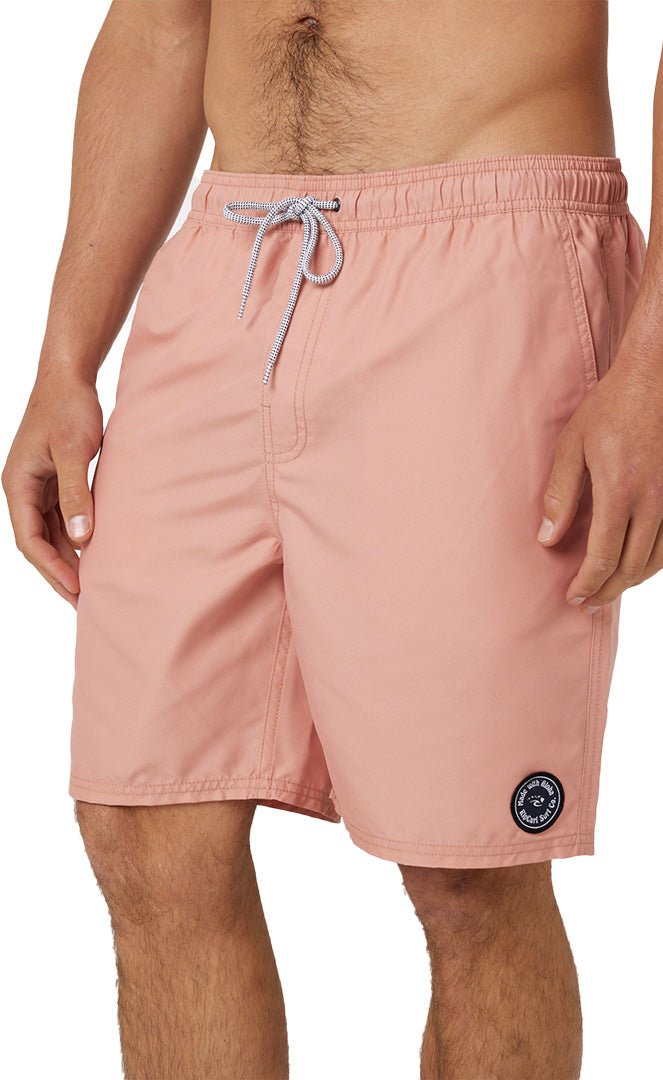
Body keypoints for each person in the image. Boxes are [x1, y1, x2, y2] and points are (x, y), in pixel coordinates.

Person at [3, 1, 662, 1077]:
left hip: (484, 251)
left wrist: (654, 366)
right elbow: (161, 25)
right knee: (145, 823)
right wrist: (65, 357)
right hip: (232, 260)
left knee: (468, 868)